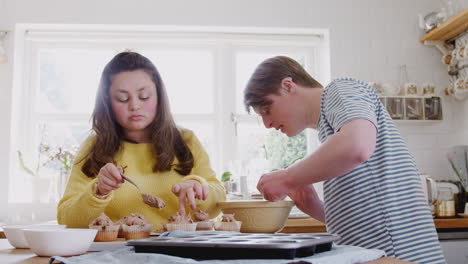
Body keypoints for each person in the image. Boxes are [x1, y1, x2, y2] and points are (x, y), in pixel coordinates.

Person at [244, 56, 445, 264]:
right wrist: (313, 205)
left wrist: (286, 178)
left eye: (267, 110)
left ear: (288, 86)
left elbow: (357, 146)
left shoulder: (341, 89)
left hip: (402, 258)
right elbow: (366, 219)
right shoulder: (332, 138)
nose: (267, 124)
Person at [57, 51, 226, 230]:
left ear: (159, 95)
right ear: (107, 102)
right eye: (122, 98)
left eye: (144, 96)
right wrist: (98, 191)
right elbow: (66, 218)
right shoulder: (93, 147)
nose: (135, 105)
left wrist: (200, 187)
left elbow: (219, 204)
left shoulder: (186, 141)